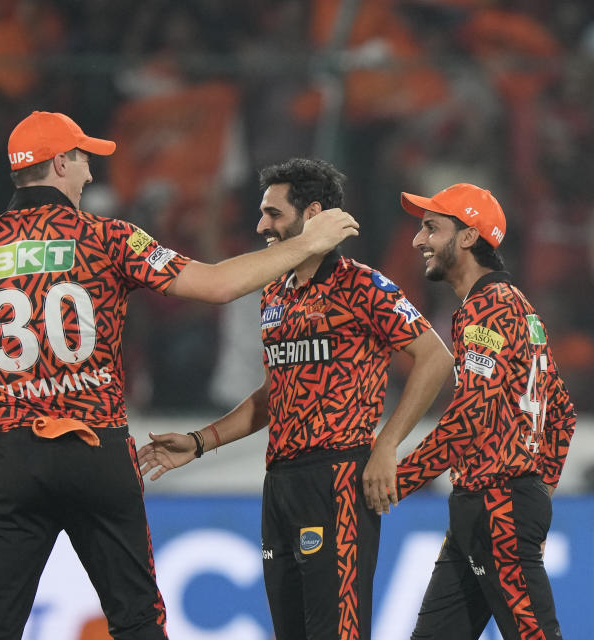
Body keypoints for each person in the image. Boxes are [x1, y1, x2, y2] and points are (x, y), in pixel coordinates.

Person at [0, 112, 360, 640]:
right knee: (137, 623)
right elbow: (216, 285)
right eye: (82, 158)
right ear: (59, 163)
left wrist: (13, 415)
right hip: (96, 453)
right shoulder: (110, 239)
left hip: (14, 456)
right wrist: (307, 244)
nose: (89, 171)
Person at [138, 158, 454, 640]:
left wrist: (387, 447)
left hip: (338, 479)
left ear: (312, 213)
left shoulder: (362, 284)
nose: (261, 224)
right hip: (281, 482)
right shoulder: (275, 293)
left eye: (273, 214)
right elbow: (275, 394)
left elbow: (434, 357)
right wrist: (201, 442)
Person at [393, 183, 575, 640]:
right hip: (486, 504)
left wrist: (396, 481)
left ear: (470, 236)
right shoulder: (520, 308)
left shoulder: (488, 308)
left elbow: (471, 415)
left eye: (431, 228)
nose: (418, 241)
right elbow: (562, 413)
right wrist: (539, 485)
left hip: (498, 503)